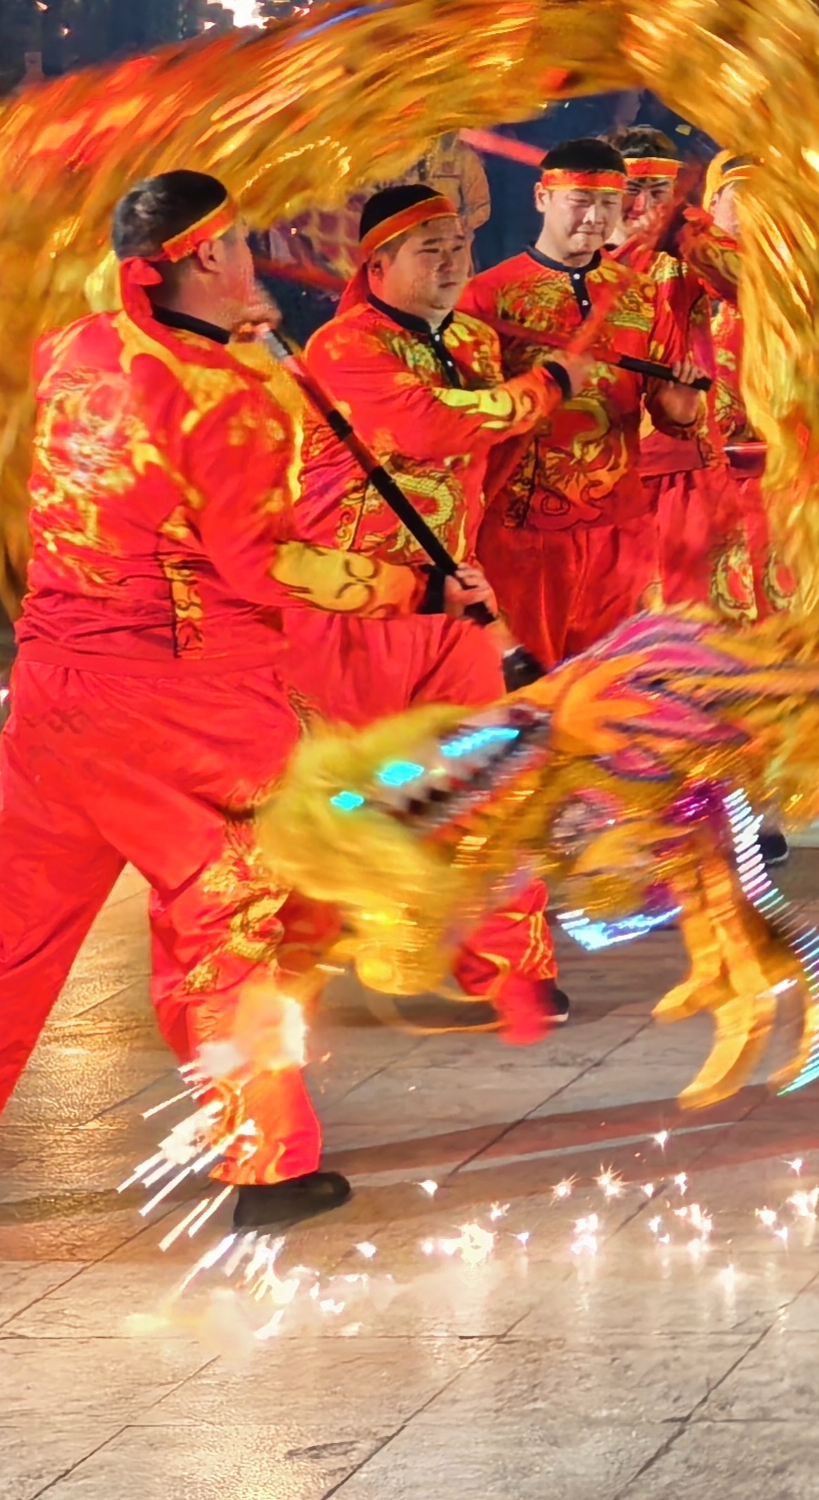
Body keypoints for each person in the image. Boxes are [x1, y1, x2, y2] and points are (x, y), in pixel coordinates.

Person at [0, 170, 348, 1235]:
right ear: (206, 256)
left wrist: (236, 351)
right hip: (189, 708)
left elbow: (155, 450)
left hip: (59, 698)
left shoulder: (74, 350)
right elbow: (262, 563)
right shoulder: (235, 396)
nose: (256, 261)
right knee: (228, 930)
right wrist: (413, 585)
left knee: (0, 935)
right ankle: (260, 1166)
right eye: (241, 245)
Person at [277, 182, 573, 1038]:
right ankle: (348, 949)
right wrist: (549, 382)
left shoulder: (476, 338)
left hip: (452, 603)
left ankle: (510, 965)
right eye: (429, 248)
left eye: (458, 244)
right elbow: (432, 426)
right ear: (377, 265)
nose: (451, 261)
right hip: (352, 605)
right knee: (362, 787)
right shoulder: (342, 349)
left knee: (490, 771)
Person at [455, 140, 649, 664]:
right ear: (542, 197)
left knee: (612, 687)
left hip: (619, 527)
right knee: (532, 690)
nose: (595, 217)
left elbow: (675, 416)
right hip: (522, 527)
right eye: (579, 200)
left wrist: (682, 400)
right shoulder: (486, 295)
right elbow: (469, 417)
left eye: (608, 202)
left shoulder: (638, 292)